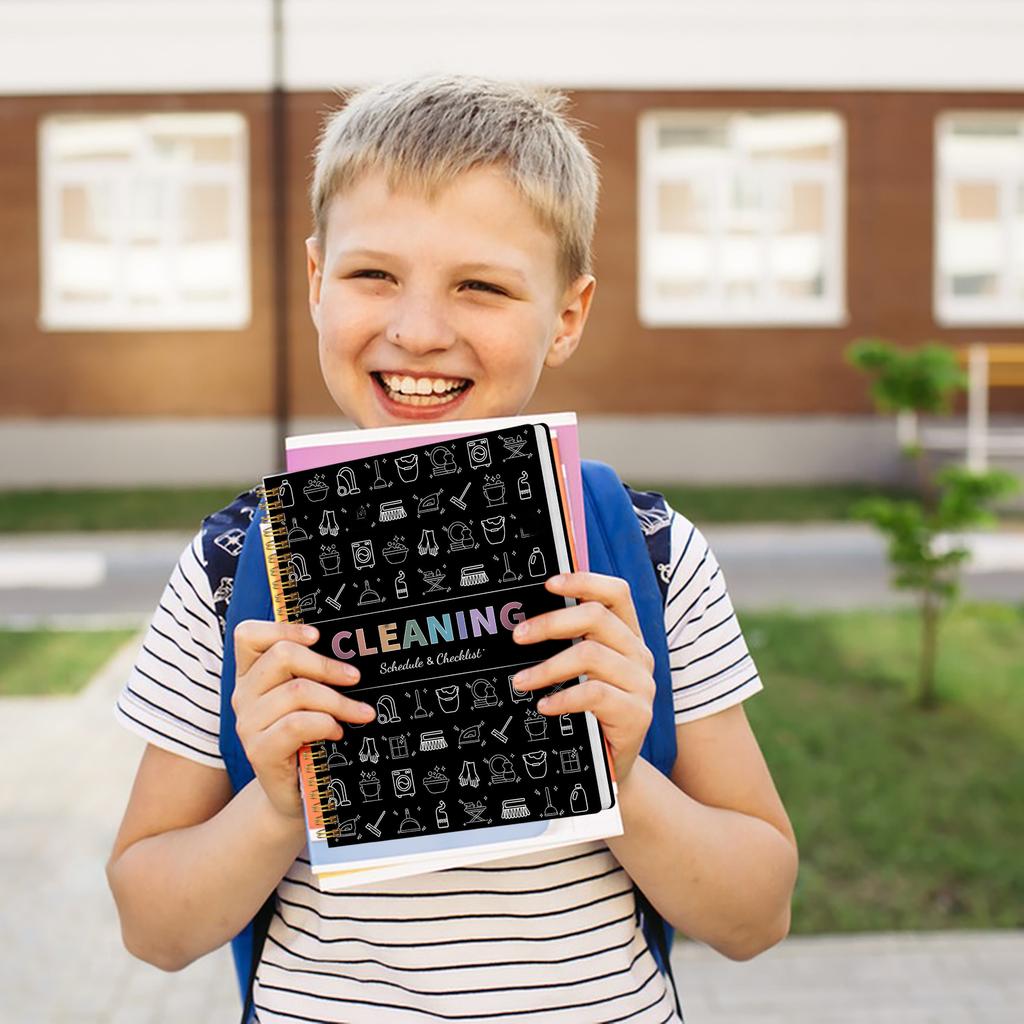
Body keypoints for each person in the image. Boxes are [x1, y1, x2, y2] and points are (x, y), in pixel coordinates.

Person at [106, 73, 798, 1023]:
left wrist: (625, 770)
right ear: (315, 282)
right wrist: (272, 805)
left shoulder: (646, 551)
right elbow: (153, 925)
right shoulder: (236, 565)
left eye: (481, 286)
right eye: (372, 275)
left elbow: (757, 915)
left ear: (567, 315)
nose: (419, 330)